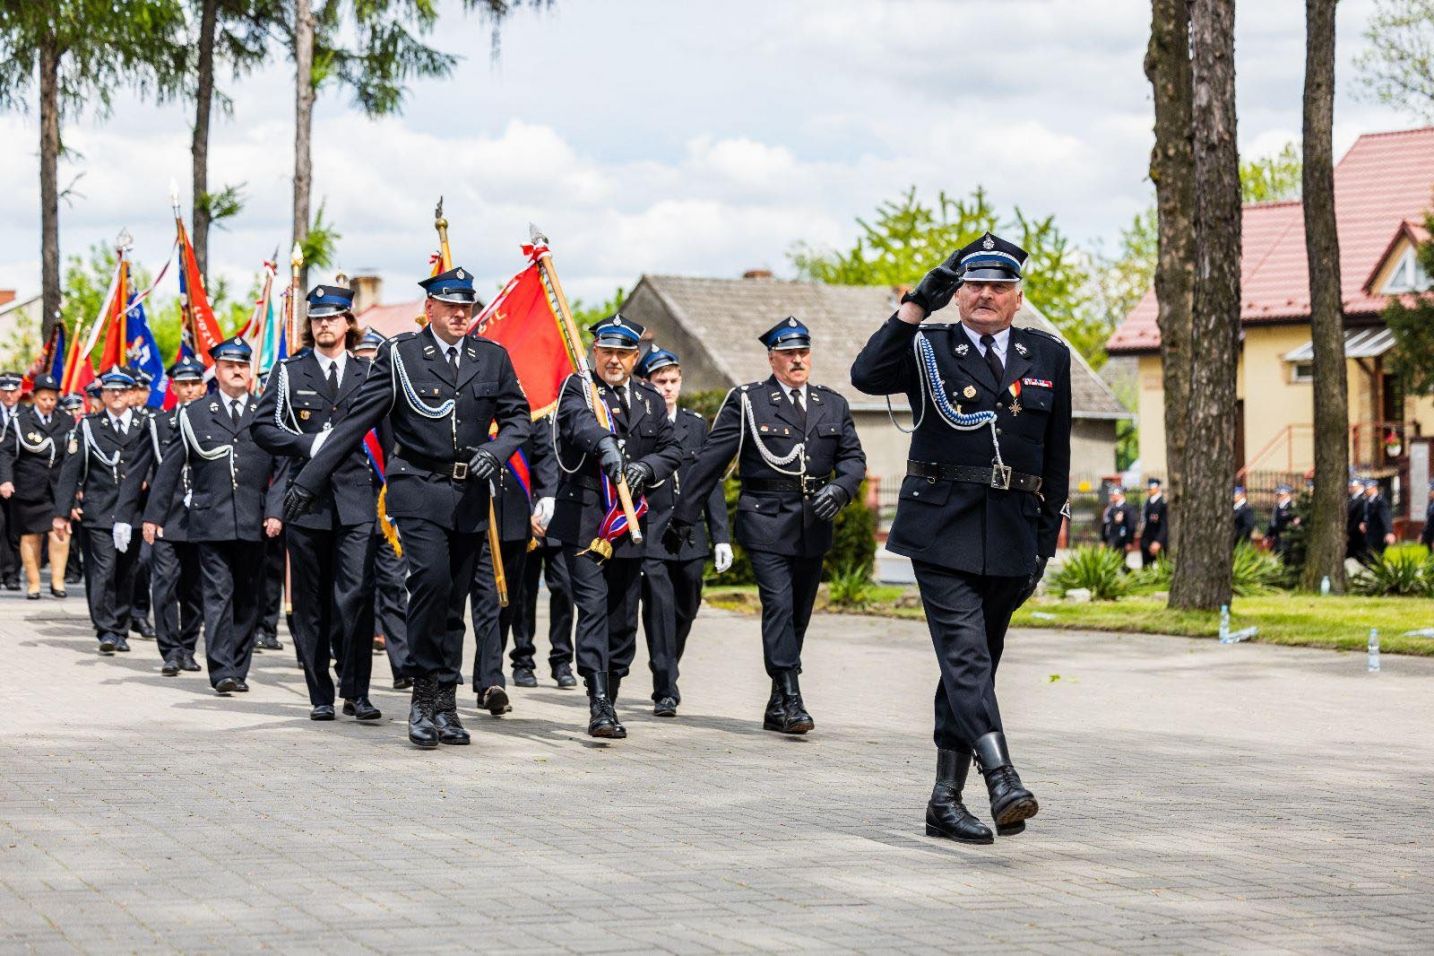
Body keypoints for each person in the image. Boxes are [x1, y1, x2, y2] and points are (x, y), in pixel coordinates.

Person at [851, 231, 1070, 844]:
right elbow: (866, 375)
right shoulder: (927, 345)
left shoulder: (1046, 355)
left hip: (1013, 531)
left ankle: (944, 802)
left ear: (1017, 297)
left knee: (974, 664)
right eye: (974, 284)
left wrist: (1045, 543)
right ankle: (1002, 777)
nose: (985, 295)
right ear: (958, 293)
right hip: (940, 527)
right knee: (967, 656)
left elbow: (1056, 457)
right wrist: (916, 304)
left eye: (999, 286)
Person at [282, 266, 531, 750]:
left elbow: (518, 420)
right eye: (450, 306)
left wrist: (496, 451)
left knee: (454, 601)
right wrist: (310, 480)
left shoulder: (492, 358)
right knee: (431, 584)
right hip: (417, 488)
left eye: (466, 307)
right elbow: (356, 422)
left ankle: (446, 704)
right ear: (430, 309)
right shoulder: (401, 355)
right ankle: (422, 697)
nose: (460, 314)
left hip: (470, 493)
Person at [668, 315, 866, 735]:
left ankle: (776, 703)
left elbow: (853, 459)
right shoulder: (749, 401)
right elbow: (710, 463)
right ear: (772, 358)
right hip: (765, 520)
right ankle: (792, 698)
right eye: (789, 353)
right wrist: (683, 517)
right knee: (778, 606)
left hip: (813, 522)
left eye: (803, 352)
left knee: (799, 614)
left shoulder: (831, 403)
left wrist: (841, 488)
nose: (798, 360)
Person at [549, 314, 682, 738]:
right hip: (586, 519)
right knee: (592, 608)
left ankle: (614, 686)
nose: (614, 360)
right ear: (595, 351)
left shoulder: (649, 398)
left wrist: (647, 467)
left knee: (623, 617)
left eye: (623, 353)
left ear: (635, 357)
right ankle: (599, 703)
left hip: (630, 521)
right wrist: (604, 444)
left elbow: (672, 448)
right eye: (607, 351)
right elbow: (578, 422)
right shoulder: (580, 388)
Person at [253, 284, 382, 723]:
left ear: (348, 322)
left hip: (357, 500)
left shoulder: (368, 373)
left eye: (332, 316)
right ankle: (320, 693)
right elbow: (263, 428)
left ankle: (356, 690)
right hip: (307, 501)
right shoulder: (289, 372)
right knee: (311, 602)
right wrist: (307, 444)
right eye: (317, 317)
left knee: (357, 595)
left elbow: (388, 436)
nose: (324, 324)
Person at [143, 338, 284, 695]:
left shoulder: (267, 411)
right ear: (217, 371)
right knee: (217, 594)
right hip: (210, 519)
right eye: (229, 365)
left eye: (242, 365)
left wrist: (275, 510)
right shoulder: (195, 413)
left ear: (250, 371)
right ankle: (221, 670)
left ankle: (239, 666)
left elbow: (283, 467)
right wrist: (154, 515)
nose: (237, 371)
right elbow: (170, 467)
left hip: (254, 519)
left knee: (248, 598)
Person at [634, 345, 732, 716]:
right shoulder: (640, 424)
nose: (668, 388)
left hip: (690, 534)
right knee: (658, 607)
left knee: (688, 604)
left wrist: (721, 537)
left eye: (673, 380)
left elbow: (710, 482)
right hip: (653, 533)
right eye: (661, 381)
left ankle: (667, 663)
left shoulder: (695, 424)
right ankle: (665, 686)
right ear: (646, 383)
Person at [53, 368, 154, 654]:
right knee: (102, 570)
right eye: (111, 390)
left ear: (131, 393)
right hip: (100, 510)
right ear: (103, 394)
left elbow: (157, 461)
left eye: (122, 389)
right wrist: (62, 512)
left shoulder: (146, 424)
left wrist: (148, 481)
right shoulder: (89, 426)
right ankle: (106, 629)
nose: (117, 394)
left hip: (134, 512)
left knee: (128, 571)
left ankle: (120, 627)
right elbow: (71, 470)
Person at [468, 431, 556, 715]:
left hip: (519, 517)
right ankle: (492, 682)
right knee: (488, 601)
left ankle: (483, 678)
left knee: (506, 605)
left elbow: (544, 454)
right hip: (479, 515)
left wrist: (546, 495)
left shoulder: (527, 414)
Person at [138, 357, 207, 676]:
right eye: (183, 384)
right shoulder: (159, 423)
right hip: (166, 517)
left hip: (202, 517)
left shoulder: (211, 420)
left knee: (194, 589)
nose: (189, 389)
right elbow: (142, 470)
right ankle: (169, 650)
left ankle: (188, 648)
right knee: (164, 585)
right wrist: (129, 516)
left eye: (194, 384)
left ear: (203, 387)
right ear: (174, 388)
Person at [353, 327, 411, 691]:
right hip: (353, 508)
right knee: (355, 590)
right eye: (362, 358)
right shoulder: (347, 398)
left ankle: (403, 665)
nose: (368, 367)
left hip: (387, 508)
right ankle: (348, 665)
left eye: (373, 359)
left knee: (392, 586)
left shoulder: (392, 401)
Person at [0, 374, 72, 599]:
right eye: (44, 398)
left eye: (52, 399)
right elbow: (6, 453)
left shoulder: (66, 420)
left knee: (60, 533)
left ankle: (58, 581)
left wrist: (77, 486)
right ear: (34, 397)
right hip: (28, 486)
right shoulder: (21, 420)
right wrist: (6, 479)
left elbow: (73, 455)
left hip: (58, 487)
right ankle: (34, 583)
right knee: (31, 536)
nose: (49, 403)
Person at [510, 514, 577, 689]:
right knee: (524, 595)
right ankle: (523, 661)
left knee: (565, 588)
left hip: (559, 522)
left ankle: (561, 660)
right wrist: (527, 515)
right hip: (528, 521)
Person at [0, 371, 24, 590]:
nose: (8, 395)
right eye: (4, 391)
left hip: (21, 480)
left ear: (20, 391)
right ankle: (5, 571)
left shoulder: (27, 415)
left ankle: (13, 573)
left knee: (16, 529)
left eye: (12, 391)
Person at [1100, 486, 1137, 559]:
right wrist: (1103, 540)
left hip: (1121, 542)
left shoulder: (1128, 508)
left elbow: (1131, 526)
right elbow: (1105, 525)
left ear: (1119, 495)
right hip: (1110, 541)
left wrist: (1129, 542)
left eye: (1112, 494)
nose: (1110, 496)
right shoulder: (1110, 508)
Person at [1362, 478, 1395, 557]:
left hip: (1378, 536)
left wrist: (1389, 532)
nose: (1365, 491)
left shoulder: (1380, 501)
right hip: (1370, 534)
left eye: (1367, 488)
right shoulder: (1369, 501)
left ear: (1374, 487)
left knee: (1375, 556)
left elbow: (1386, 517)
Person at [1265, 484, 1300, 559]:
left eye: (1280, 495)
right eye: (1278, 495)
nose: (1278, 497)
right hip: (1277, 538)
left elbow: (1295, 523)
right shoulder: (1278, 507)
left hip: (1286, 539)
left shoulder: (1292, 506)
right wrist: (1268, 535)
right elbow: (1273, 523)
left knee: (1285, 558)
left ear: (1287, 494)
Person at [1139, 477, 1168, 566]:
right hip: (1146, 540)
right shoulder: (1147, 502)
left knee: (1161, 566)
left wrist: (1158, 541)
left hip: (1157, 541)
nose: (1149, 490)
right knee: (1146, 567)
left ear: (1157, 488)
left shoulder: (1163, 503)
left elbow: (1164, 524)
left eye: (1151, 488)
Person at [1346, 478, 1368, 563]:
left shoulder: (1363, 498)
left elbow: (1358, 517)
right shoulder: (1352, 498)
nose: (1350, 488)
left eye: (1352, 486)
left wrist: (1349, 531)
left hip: (1357, 534)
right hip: (1352, 533)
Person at [1421, 481, 1433, 548]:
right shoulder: (1430, 504)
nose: (1429, 494)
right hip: (1429, 532)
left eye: (1430, 491)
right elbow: (1428, 519)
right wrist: (1423, 533)